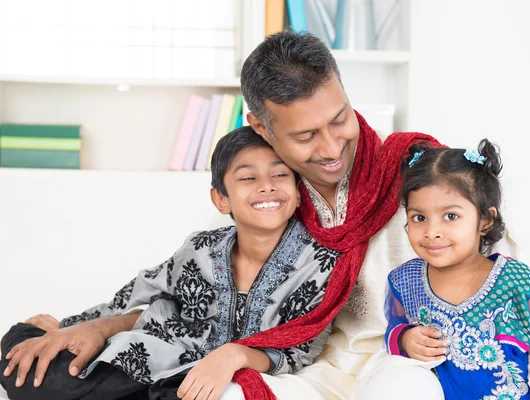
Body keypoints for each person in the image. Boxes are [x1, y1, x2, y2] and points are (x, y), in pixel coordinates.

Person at [241, 31, 530, 399]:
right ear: (260, 127)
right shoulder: (262, 194)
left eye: (339, 120)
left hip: (414, 360)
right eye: (305, 136)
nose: (332, 147)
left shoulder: (421, 173)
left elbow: (525, 286)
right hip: (316, 368)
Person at [0, 126, 336, 400]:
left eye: (280, 175)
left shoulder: (320, 263)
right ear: (221, 199)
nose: (267, 186)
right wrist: (76, 325)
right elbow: (144, 290)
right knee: (24, 363)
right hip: (156, 355)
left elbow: (301, 348)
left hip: (207, 384)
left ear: (297, 191)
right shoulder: (201, 247)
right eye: (248, 178)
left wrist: (235, 355)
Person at [384, 139, 530, 399]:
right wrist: (405, 339)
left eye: (451, 216)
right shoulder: (405, 281)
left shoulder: (515, 281)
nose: (432, 232)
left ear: (485, 220)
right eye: (419, 218)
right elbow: (395, 325)